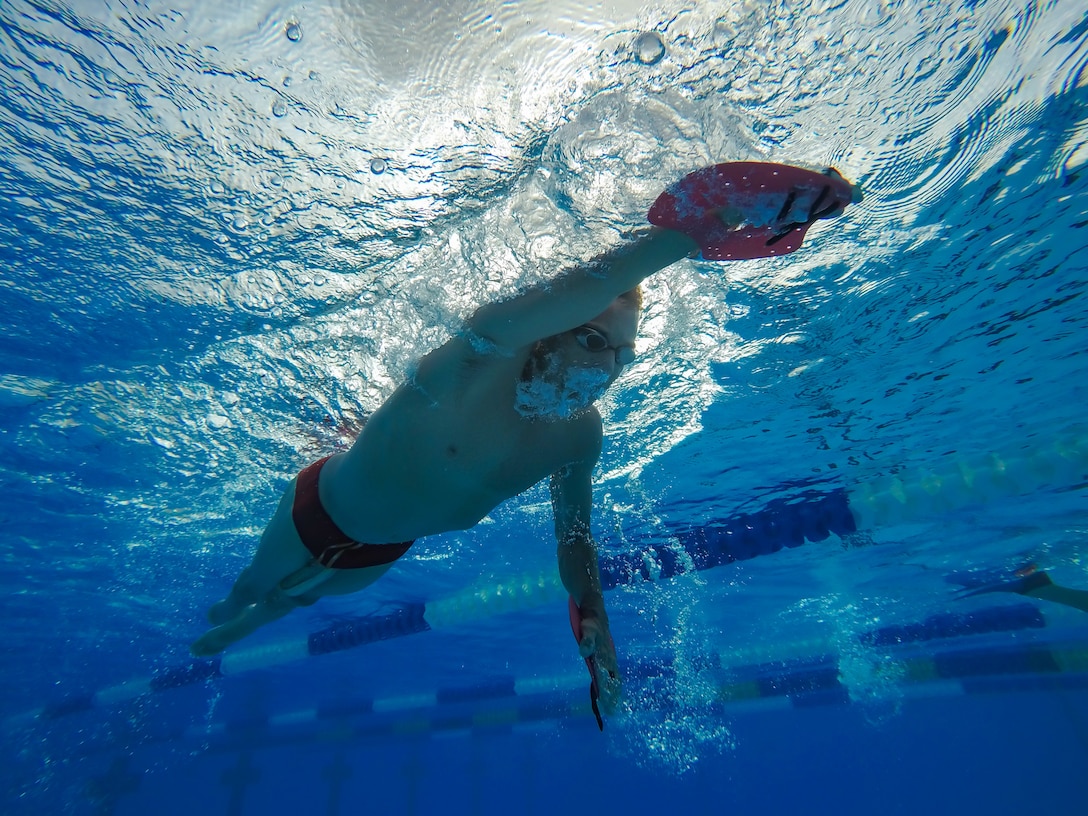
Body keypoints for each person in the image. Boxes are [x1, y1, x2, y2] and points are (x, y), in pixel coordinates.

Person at [191, 162, 860, 722]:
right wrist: (696, 232)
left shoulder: (578, 437)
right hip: (318, 509)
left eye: (621, 358)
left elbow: (575, 538)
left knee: (299, 598)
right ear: (551, 330)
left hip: (379, 555)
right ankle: (233, 611)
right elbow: (588, 285)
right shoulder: (480, 358)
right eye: (593, 341)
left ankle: (251, 622)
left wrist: (593, 613)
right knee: (256, 583)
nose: (604, 370)